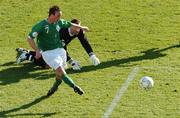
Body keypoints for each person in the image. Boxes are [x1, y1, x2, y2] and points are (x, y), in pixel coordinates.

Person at [27, 5, 89, 96]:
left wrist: (82, 27)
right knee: (60, 71)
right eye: (58, 16)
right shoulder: (41, 25)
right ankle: (75, 87)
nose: (59, 18)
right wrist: (36, 50)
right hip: (48, 52)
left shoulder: (59, 22)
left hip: (60, 50)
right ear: (51, 15)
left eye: (60, 16)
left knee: (59, 74)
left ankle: (55, 86)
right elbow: (29, 38)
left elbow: (70, 24)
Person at [16, 19, 100, 70]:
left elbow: (85, 42)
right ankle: (26, 55)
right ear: (70, 27)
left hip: (56, 47)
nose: (78, 30)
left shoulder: (79, 31)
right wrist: (71, 61)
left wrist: (92, 55)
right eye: (76, 27)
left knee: (54, 62)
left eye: (79, 27)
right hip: (47, 44)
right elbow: (62, 48)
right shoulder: (62, 32)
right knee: (49, 65)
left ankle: (26, 51)